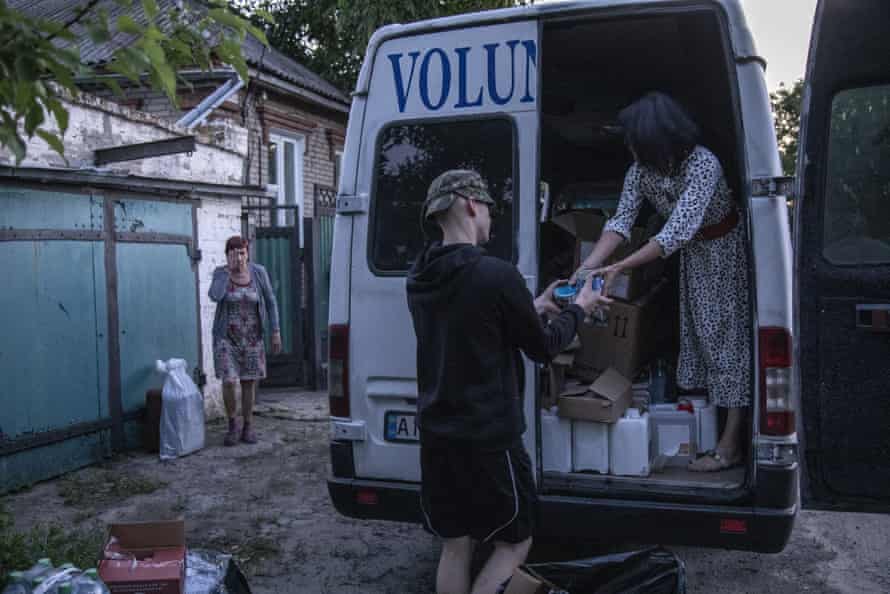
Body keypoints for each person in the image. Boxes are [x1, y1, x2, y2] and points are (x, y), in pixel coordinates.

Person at [407, 170, 610, 594]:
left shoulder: (420, 277)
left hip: (438, 434)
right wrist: (581, 309)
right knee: (515, 542)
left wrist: (531, 305)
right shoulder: (497, 275)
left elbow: (474, 324)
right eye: (488, 208)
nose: (491, 219)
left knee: (456, 544)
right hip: (488, 437)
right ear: (469, 203)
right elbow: (544, 348)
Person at [574, 92, 751, 472]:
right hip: (693, 257)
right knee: (700, 339)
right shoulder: (640, 171)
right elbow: (621, 221)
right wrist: (588, 265)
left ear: (652, 136)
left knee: (725, 342)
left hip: (723, 253)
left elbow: (676, 232)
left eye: (631, 137)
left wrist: (620, 269)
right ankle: (710, 432)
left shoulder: (703, 164)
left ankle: (731, 444)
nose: (627, 144)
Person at [209, 236, 282, 446]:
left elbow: (270, 301)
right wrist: (228, 273)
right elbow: (214, 296)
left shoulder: (259, 272)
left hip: (252, 338)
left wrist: (275, 331)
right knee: (229, 381)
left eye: (242, 253)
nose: (239, 257)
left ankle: (248, 425)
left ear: (247, 253)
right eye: (234, 253)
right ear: (227, 255)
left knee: (249, 382)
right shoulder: (220, 273)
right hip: (226, 339)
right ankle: (233, 424)